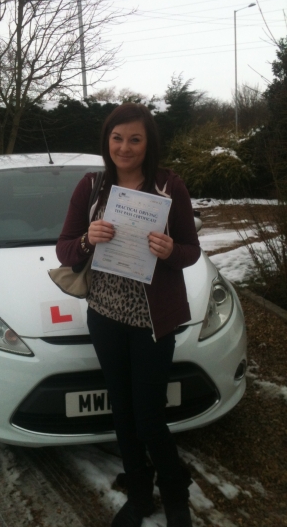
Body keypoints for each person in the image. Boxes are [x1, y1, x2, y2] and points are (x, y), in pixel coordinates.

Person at [56, 103, 200, 527]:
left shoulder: (169, 187)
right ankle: (139, 496)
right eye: (117, 138)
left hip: (152, 322)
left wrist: (172, 251)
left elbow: (191, 251)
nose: (125, 147)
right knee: (121, 411)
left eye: (135, 138)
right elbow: (64, 247)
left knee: (149, 416)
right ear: (107, 141)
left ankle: (175, 493)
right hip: (105, 316)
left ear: (148, 142)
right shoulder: (92, 186)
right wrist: (87, 238)